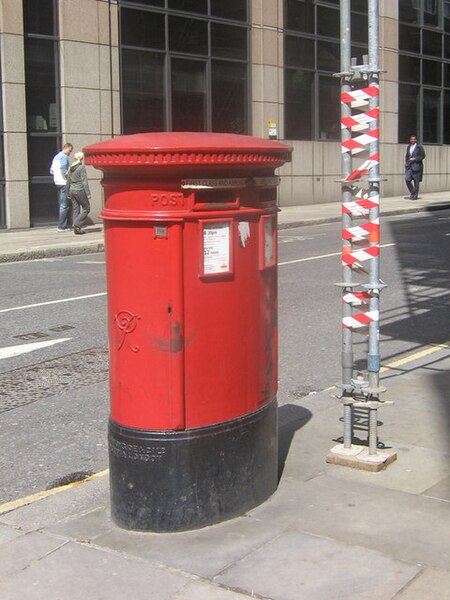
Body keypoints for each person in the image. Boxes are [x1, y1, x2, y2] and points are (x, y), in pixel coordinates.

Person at [66, 151, 91, 235]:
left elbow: (68, 181)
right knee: (86, 208)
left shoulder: (71, 167)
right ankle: (76, 224)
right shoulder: (81, 167)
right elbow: (84, 181)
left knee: (76, 209)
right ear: (82, 158)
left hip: (72, 190)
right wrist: (88, 193)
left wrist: (67, 192)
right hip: (79, 190)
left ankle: (76, 228)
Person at [50, 142, 73, 231]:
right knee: (64, 205)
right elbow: (64, 170)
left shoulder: (56, 157)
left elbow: (51, 170)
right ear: (66, 148)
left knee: (62, 204)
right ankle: (62, 226)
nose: (69, 153)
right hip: (64, 183)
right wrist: (69, 179)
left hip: (57, 182)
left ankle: (62, 225)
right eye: (70, 151)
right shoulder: (64, 157)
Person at [404, 135, 425, 200]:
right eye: (411, 139)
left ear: (415, 140)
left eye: (414, 139)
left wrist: (415, 158)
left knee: (416, 182)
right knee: (407, 179)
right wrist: (406, 163)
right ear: (410, 140)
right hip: (409, 166)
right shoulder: (409, 147)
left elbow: (423, 156)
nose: (412, 140)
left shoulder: (419, 147)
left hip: (416, 166)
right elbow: (407, 156)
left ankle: (415, 196)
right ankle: (413, 192)